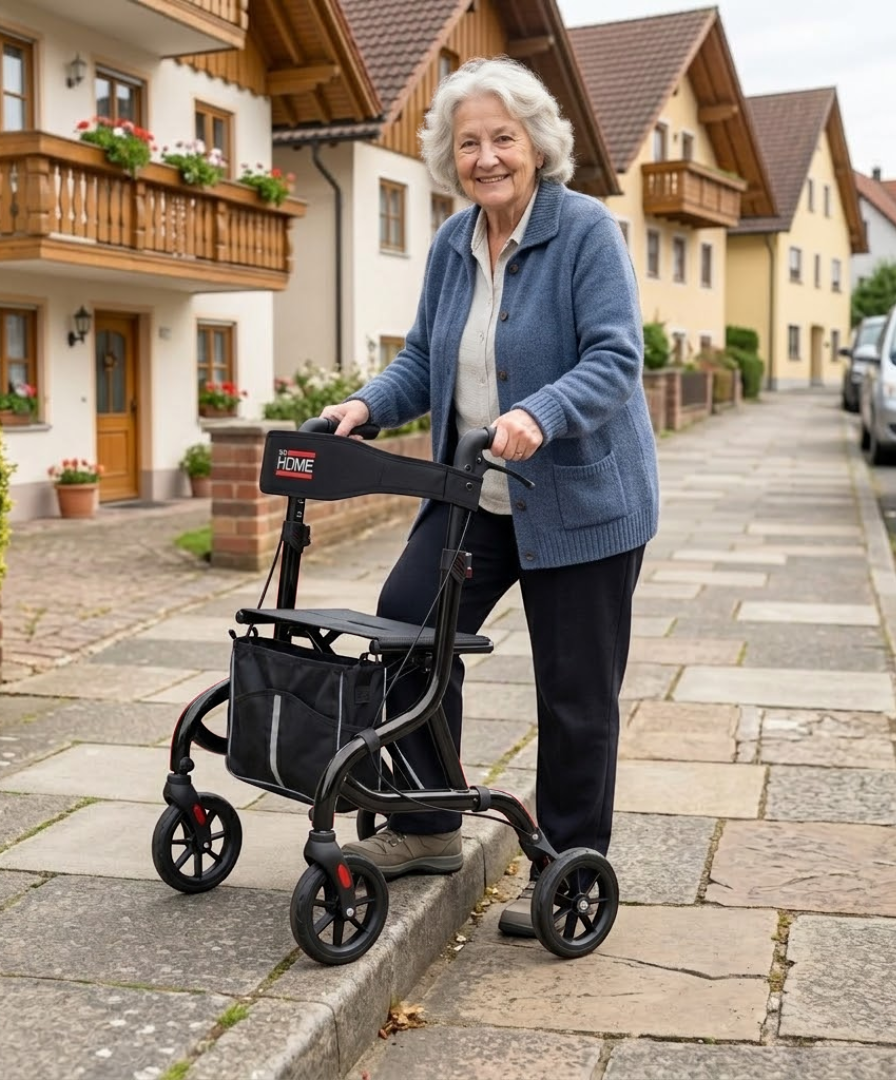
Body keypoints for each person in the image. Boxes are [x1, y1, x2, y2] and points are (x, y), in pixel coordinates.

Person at [322, 56, 658, 937]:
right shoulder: (451, 243)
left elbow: (617, 359)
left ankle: (571, 867)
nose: (486, 157)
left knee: (574, 693)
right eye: (468, 142)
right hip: (478, 494)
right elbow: (426, 362)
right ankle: (429, 822)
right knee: (404, 628)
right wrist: (366, 402)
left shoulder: (586, 231)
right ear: (450, 156)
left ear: (535, 144)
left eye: (502, 138)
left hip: (583, 502)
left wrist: (539, 415)